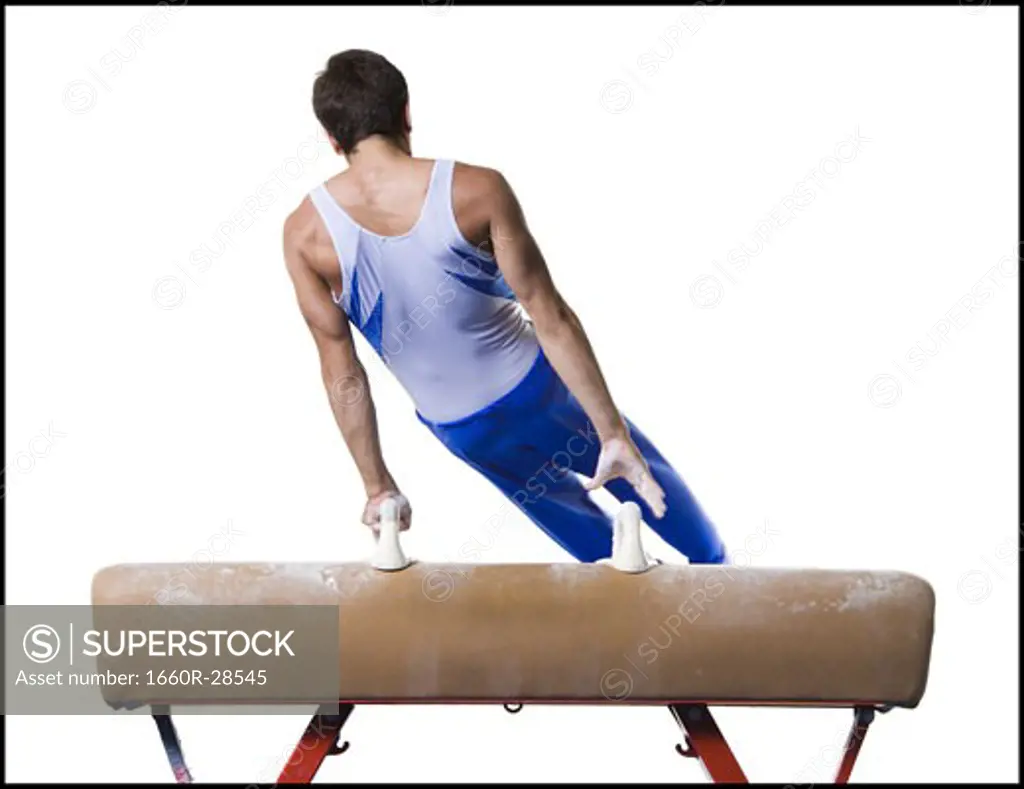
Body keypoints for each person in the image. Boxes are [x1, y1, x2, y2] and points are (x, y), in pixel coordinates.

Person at [282, 49, 727, 564]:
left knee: (593, 548)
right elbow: (548, 312)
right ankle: (720, 576)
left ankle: (636, 614)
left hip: (461, 428)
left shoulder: (304, 234)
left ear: (332, 139)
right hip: (538, 391)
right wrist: (611, 432)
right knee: (645, 480)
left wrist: (377, 485)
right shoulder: (475, 189)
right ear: (405, 112)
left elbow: (342, 373)